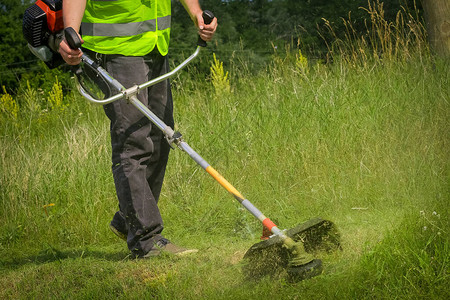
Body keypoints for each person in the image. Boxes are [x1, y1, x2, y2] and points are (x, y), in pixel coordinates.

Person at [58, 0, 217, 258]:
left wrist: (197, 13)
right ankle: (147, 240)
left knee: (160, 135)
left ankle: (127, 219)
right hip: (116, 52)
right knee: (134, 141)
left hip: (155, 47)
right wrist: (71, 33)